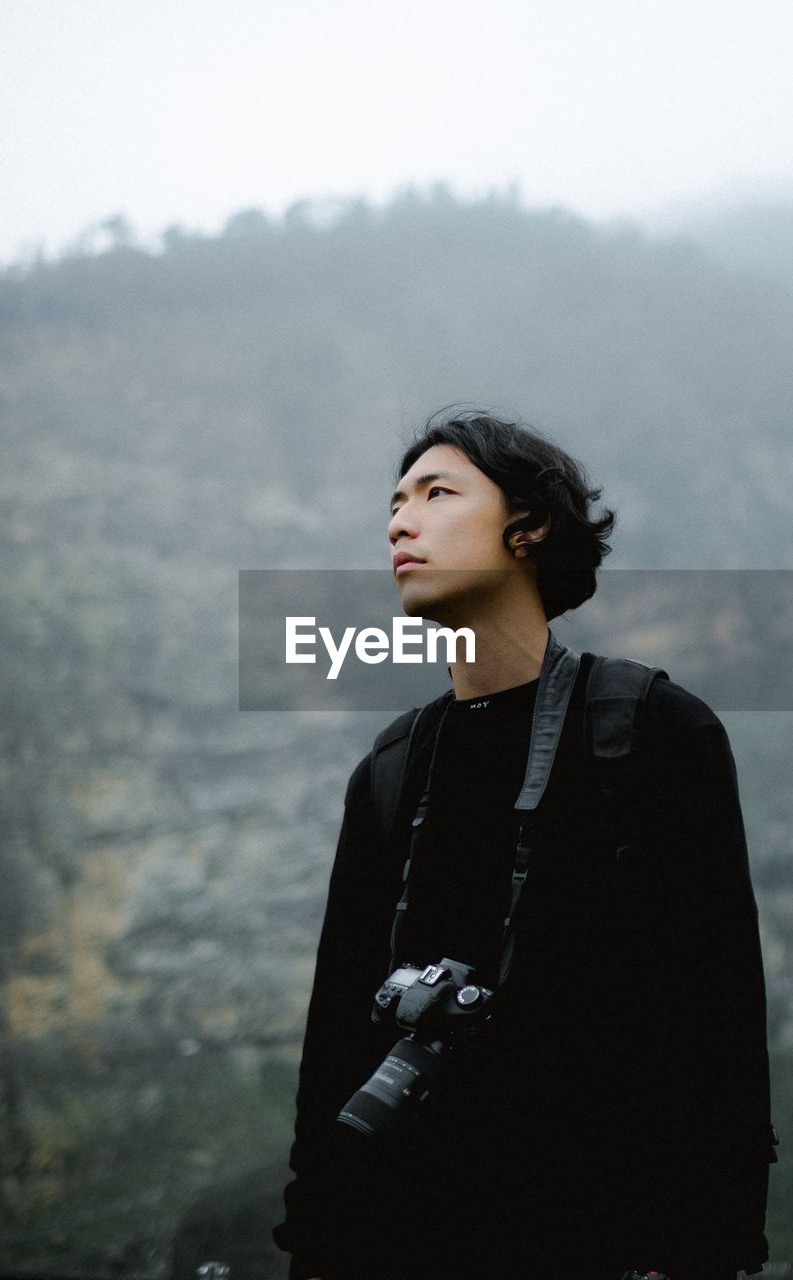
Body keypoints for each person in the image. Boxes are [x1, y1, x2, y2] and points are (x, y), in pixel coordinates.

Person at [274, 410, 773, 1280]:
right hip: (405, 1239)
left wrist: (705, 1246)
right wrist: (315, 1240)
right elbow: (334, 1037)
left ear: (529, 527)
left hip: (599, 1243)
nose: (399, 520)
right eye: (393, 502)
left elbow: (718, 1016)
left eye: (436, 492)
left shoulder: (651, 730)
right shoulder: (393, 765)